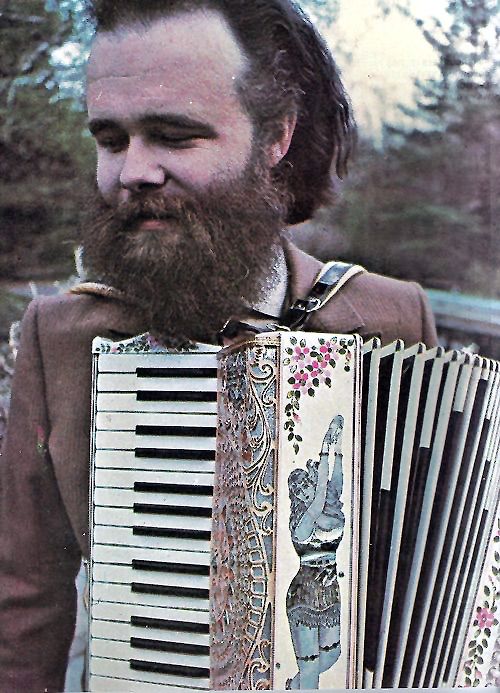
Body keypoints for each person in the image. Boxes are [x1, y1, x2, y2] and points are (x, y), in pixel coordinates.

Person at [0, 0, 438, 690]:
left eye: (173, 136)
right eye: (110, 140)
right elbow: (24, 607)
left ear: (275, 137)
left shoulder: (388, 320)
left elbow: (427, 577)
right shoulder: (60, 340)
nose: (131, 173)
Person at [286, 415, 345, 690]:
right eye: (295, 489)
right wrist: (324, 447)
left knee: (332, 654)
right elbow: (321, 490)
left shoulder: (330, 510)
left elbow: (334, 483)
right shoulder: (303, 521)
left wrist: (339, 449)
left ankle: (294, 686)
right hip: (304, 594)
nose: (301, 489)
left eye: (303, 483)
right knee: (310, 666)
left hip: (330, 589)